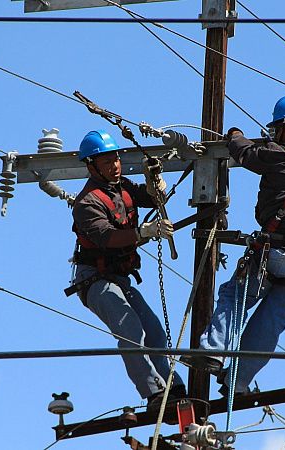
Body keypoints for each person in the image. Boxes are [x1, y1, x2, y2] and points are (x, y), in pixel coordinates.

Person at [184, 94, 285, 396]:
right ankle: (238, 381)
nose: (274, 135)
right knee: (270, 322)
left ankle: (212, 351)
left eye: (277, 130)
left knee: (235, 297)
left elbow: (244, 152)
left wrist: (234, 134)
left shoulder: (277, 154)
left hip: (275, 251)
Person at [66, 130, 186, 409]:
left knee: (154, 331)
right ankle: (154, 392)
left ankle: (174, 386)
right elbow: (107, 237)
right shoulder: (87, 202)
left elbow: (151, 199)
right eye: (107, 162)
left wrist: (154, 182)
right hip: (95, 280)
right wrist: (146, 231)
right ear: (91, 165)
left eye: (116, 159)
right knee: (130, 329)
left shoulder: (122, 187)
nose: (115, 166)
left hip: (120, 278)